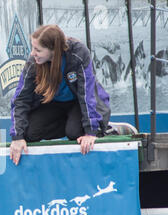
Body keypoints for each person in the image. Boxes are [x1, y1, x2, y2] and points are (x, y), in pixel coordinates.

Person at [10, 24, 113, 165]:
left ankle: (102, 125)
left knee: (76, 133)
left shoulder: (78, 53)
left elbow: (87, 94)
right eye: (32, 48)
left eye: (37, 50)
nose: (32, 53)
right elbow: (21, 99)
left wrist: (91, 131)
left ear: (53, 50)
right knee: (29, 132)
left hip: (79, 103)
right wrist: (17, 137)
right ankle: (72, 124)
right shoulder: (33, 62)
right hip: (56, 105)